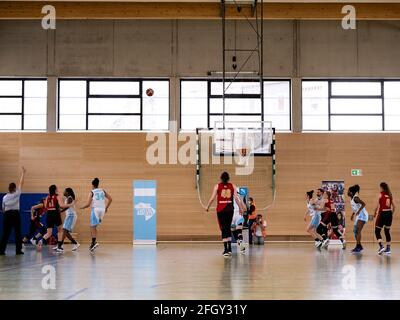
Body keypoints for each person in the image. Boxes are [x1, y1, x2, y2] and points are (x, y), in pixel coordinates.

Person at [205, 172, 245, 257]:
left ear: (221, 178)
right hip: (230, 209)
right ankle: (230, 248)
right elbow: (236, 198)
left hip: (221, 210)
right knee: (228, 227)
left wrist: (207, 207)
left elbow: (212, 198)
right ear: (228, 178)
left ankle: (226, 250)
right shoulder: (232, 186)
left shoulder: (217, 186)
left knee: (224, 229)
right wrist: (241, 208)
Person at [80, 178, 112, 252]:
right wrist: (106, 208)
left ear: (92, 184)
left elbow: (88, 204)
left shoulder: (92, 192)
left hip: (96, 210)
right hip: (102, 210)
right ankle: (93, 242)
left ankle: (94, 242)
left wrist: (82, 207)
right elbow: (110, 199)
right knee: (94, 227)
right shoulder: (102, 190)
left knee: (92, 227)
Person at [0, 167, 26, 255]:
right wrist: (23, 173)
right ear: (14, 188)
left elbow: (3, 209)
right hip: (15, 214)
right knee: (17, 232)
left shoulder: (4, 197)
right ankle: (18, 250)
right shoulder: (17, 194)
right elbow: (21, 183)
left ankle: (1, 250)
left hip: (7, 215)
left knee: (5, 233)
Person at [36, 185, 70, 249]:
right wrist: (70, 204)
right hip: (55, 213)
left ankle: (41, 240)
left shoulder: (47, 197)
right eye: (57, 188)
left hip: (49, 214)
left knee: (49, 233)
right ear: (55, 190)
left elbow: (46, 207)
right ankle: (59, 246)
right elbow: (62, 205)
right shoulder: (57, 196)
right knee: (60, 230)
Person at [374, 182, 395, 255]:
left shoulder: (381, 194)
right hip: (389, 213)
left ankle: (381, 246)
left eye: (380, 187)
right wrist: (391, 214)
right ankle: (388, 248)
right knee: (387, 231)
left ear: (382, 187)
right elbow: (394, 207)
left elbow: (377, 206)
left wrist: (374, 213)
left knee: (377, 231)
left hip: (382, 213)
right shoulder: (390, 195)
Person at [56, 188, 80, 253]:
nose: (64, 192)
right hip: (69, 215)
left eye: (65, 191)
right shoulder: (67, 198)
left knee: (64, 230)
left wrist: (60, 210)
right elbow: (64, 206)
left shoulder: (70, 198)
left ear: (68, 192)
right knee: (65, 232)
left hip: (71, 215)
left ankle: (60, 245)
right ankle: (75, 244)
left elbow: (67, 207)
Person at [348, 185, 368, 253]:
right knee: (355, 231)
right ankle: (359, 246)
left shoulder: (355, 198)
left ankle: (358, 246)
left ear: (351, 192)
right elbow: (355, 208)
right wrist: (352, 214)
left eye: (348, 191)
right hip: (358, 216)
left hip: (363, 215)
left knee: (358, 230)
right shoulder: (351, 199)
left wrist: (359, 211)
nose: (347, 192)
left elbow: (363, 204)